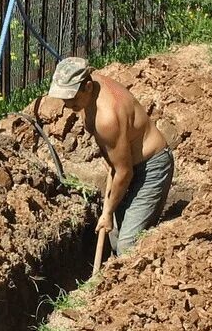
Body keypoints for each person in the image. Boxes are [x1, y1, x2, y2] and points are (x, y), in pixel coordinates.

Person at [47, 57, 173, 256]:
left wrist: (106, 212)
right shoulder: (92, 87)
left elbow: (124, 172)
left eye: (71, 97)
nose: (67, 103)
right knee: (114, 236)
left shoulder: (107, 118)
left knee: (127, 246)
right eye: (64, 97)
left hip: (151, 168)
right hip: (127, 165)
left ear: (87, 87)